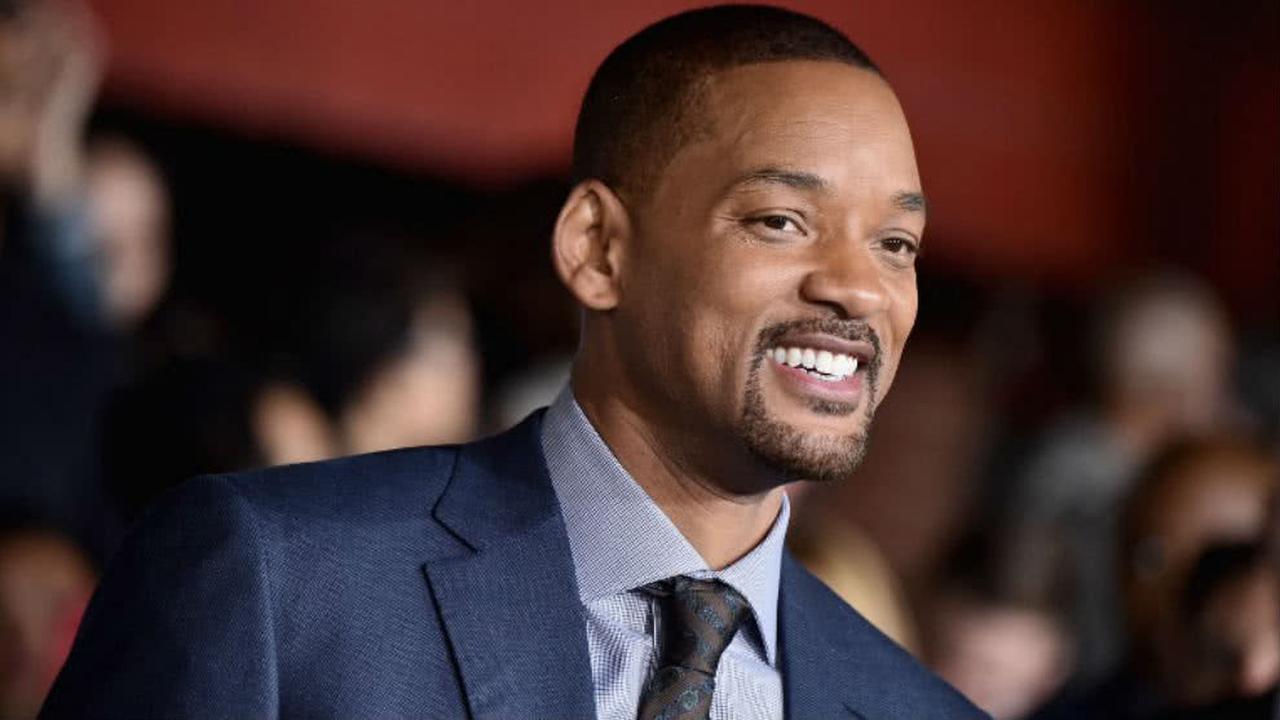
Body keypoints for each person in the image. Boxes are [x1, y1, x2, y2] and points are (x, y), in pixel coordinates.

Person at [42, 6, 986, 718]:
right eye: (782, 221)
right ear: (598, 248)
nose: (858, 289)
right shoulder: (271, 580)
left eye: (896, 245)